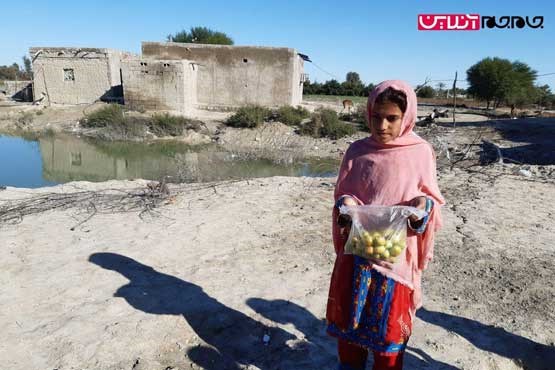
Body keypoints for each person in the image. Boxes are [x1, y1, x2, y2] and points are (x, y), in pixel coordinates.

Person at [326, 80, 445, 370]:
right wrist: (347, 204)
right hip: (358, 253)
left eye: (392, 118)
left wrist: (421, 207)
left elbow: (429, 197)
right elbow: (345, 191)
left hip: (396, 260)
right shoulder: (357, 151)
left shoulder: (420, 152)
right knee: (350, 330)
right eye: (376, 117)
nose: (382, 126)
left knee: (389, 336)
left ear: (406, 117)